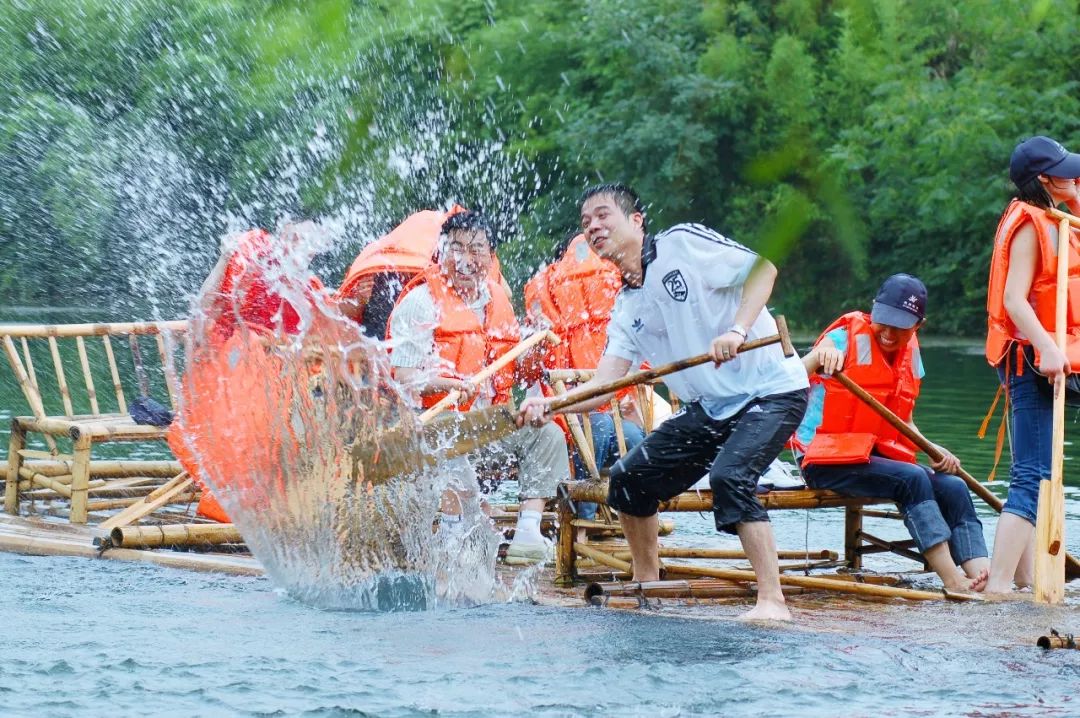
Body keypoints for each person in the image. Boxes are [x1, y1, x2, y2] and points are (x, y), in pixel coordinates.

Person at [519, 183, 809, 621]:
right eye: (585, 223)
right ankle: (648, 584)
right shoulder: (627, 305)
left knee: (731, 476)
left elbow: (763, 270)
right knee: (629, 479)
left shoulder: (682, 244)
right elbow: (604, 382)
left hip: (770, 392)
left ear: (636, 220)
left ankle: (772, 601)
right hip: (711, 408)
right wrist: (551, 406)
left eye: (603, 216)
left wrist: (736, 330)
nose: (593, 227)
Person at [387, 210, 571, 563]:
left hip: (488, 424)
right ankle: (457, 531)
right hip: (438, 428)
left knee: (545, 433)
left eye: (476, 250)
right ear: (441, 252)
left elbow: (517, 373)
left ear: (490, 257)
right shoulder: (420, 302)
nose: (465, 260)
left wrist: (535, 348)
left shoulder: (496, 299)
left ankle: (528, 532)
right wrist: (440, 382)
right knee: (448, 442)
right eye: (455, 248)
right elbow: (403, 378)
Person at [795, 274, 989, 592]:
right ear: (874, 309)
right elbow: (787, 380)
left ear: (918, 325)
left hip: (872, 455)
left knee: (953, 486)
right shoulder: (843, 338)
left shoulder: (911, 353)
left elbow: (905, 423)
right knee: (911, 479)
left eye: (899, 325)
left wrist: (932, 450)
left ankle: (981, 575)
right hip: (822, 458)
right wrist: (818, 355)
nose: (887, 333)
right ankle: (953, 581)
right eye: (883, 321)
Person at [984, 135, 1080, 593]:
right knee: (1031, 478)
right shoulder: (1027, 223)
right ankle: (999, 589)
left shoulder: (1056, 215)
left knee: (1036, 474)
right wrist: (1046, 347)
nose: (1075, 176)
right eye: (1067, 171)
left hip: (1048, 359)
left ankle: (1023, 582)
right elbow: (1013, 300)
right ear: (1044, 180)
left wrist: (1075, 198)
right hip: (1029, 359)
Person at [524, 232, 645, 528]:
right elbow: (527, 375)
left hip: (613, 419)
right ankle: (583, 520)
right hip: (567, 424)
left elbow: (635, 373)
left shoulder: (615, 321)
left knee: (635, 439)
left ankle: (636, 513)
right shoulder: (544, 321)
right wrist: (538, 343)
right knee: (598, 429)